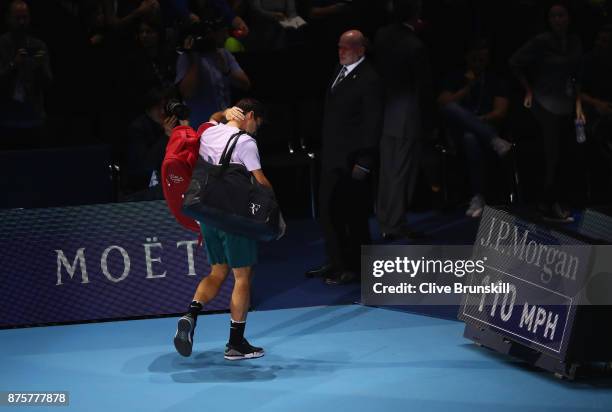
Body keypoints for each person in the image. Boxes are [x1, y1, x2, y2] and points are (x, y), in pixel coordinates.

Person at [174, 98, 275, 360]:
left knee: (217, 271)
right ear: (250, 115)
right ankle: (235, 344)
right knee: (243, 277)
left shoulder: (209, 130)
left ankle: (191, 314)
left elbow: (212, 115)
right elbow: (261, 181)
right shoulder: (246, 142)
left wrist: (221, 112)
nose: (256, 129)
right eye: (257, 124)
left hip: (207, 215)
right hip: (233, 218)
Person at [305, 29, 383, 285]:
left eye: (346, 47)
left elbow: (372, 123)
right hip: (333, 158)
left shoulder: (369, 78)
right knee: (329, 213)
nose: (341, 51)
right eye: (339, 46)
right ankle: (337, 261)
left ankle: (356, 268)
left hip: (353, 161)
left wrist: (365, 161)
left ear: (361, 49)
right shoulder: (340, 71)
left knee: (354, 216)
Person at [510, 3, 584, 221]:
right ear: (548, 20)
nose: (558, 20)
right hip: (545, 103)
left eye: (561, 15)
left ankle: (551, 202)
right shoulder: (541, 41)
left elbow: (577, 74)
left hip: (567, 103)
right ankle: (550, 203)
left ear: (569, 18)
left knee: (565, 154)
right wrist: (528, 90)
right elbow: (514, 62)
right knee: (552, 155)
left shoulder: (575, 41)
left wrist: (578, 103)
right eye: (553, 16)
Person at [373, 0, 433, 239]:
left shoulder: (382, 35)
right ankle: (394, 223)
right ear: (415, 14)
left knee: (388, 169)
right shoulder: (415, 45)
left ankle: (385, 219)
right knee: (401, 171)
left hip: (385, 111)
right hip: (407, 114)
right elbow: (423, 89)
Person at [438, 39, 511, 218]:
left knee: (471, 136)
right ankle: (496, 142)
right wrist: (467, 87)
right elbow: (442, 103)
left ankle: (477, 197)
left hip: (485, 128)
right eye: (474, 55)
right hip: (457, 133)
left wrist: (479, 121)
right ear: (467, 57)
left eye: (482, 55)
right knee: (451, 109)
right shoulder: (456, 77)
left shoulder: (495, 80)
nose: (478, 60)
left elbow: (501, 111)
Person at [176, 17, 250, 128]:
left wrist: (227, 70)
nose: (226, 36)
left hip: (224, 124)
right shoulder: (186, 58)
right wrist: (195, 60)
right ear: (210, 34)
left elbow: (246, 85)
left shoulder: (224, 54)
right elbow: (187, 93)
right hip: (199, 127)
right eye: (222, 32)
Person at [0, 0, 52, 134]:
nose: (22, 22)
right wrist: (14, 65)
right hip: (6, 117)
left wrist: (39, 67)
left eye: (25, 17)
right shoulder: (1, 46)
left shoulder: (38, 46)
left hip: (34, 117)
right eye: (18, 18)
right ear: (8, 19)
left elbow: (48, 83)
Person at [580, 24, 612, 204]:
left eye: (606, 41)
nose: (601, 44)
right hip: (591, 115)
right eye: (599, 40)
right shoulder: (587, 62)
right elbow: (577, 92)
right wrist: (597, 104)